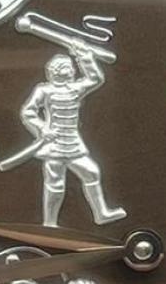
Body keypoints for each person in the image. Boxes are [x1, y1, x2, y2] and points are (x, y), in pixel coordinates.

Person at [15, 41, 126, 227]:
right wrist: (42, 128)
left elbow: (95, 79)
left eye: (72, 67)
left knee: (91, 172)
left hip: (73, 143)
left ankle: (101, 214)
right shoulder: (44, 90)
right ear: (56, 71)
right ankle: (49, 223)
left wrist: (84, 56)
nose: (72, 71)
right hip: (53, 145)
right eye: (67, 67)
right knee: (55, 182)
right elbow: (28, 112)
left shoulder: (75, 89)